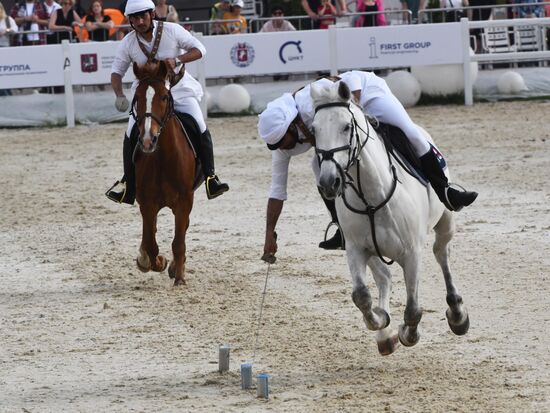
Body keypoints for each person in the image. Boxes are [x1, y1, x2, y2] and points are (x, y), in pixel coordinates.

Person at [258, 71, 477, 260]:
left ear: (293, 123)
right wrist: (269, 232)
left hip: (367, 95)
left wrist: (360, 111)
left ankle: (446, 191)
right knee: (318, 166)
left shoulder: (312, 101)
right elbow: (277, 190)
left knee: (411, 133)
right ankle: (340, 227)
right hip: (344, 124)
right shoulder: (282, 142)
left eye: (283, 142)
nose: (283, 148)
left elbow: (350, 80)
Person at [105, 0, 229, 204]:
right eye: (134, 18)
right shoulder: (128, 42)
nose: (139, 21)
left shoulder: (172, 30)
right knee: (130, 132)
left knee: (199, 124)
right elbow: (116, 72)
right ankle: (128, 184)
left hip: (179, 89)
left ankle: (210, 177)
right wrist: (119, 95)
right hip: (148, 96)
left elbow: (199, 49)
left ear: (152, 14)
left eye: (142, 16)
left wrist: (179, 59)